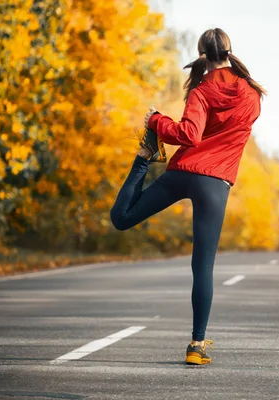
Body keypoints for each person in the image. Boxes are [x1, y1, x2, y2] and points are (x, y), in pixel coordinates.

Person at [110, 28, 265, 365]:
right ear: (229, 50)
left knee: (121, 220)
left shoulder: (201, 89)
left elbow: (189, 134)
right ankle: (196, 346)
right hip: (215, 182)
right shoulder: (252, 94)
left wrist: (156, 120)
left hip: (183, 173)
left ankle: (142, 159)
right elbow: (224, 130)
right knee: (203, 266)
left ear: (203, 55)